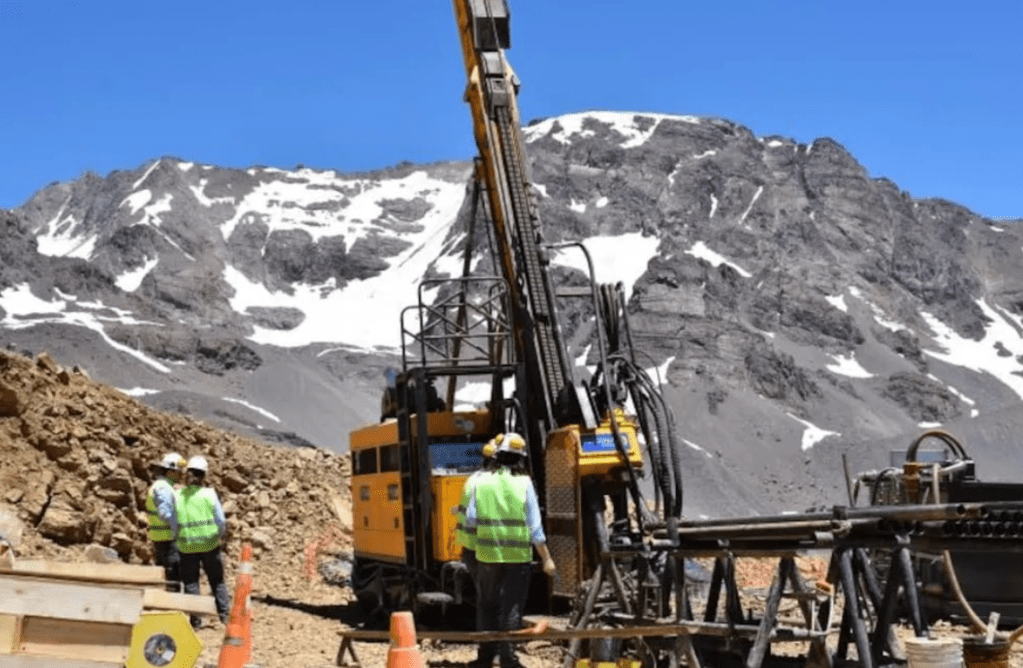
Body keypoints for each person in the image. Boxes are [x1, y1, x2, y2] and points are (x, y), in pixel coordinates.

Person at [466, 433, 556, 668]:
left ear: (497, 456)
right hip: (517, 559)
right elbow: (535, 528)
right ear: (519, 460)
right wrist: (546, 559)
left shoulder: (480, 482)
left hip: (487, 556)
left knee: (487, 605)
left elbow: (472, 519)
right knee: (511, 608)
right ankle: (508, 659)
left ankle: (485, 658)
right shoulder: (524, 484)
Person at [175, 455, 230, 628]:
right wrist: (218, 536)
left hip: (187, 545)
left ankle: (196, 621)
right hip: (209, 544)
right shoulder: (209, 494)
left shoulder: (178, 495)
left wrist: (179, 537)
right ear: (204, 475)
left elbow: (174, 521)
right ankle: (224, 616)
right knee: (217, 580)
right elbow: (221, 521)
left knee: (191, 583)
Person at [454, 438, 498, 587]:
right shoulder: (492, 482)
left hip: (471, 549)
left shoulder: (473, 479)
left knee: (486, 600)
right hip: (489, 549)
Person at [146, 452, 185, 591]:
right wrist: (177, 531)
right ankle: (171, 607)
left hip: (161, 539)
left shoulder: (162, 485)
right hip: (167, 540)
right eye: (178, 472)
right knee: (172, 579)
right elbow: (165, 513)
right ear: (170, 471)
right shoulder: (163, 488)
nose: (181, 475)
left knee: (165, 575)